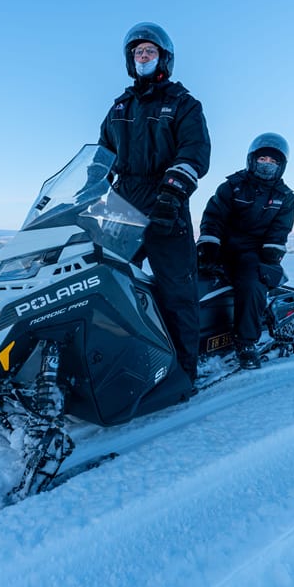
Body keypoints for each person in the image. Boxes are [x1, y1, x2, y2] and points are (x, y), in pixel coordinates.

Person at [98, 22, 211, 384]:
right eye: (137, 53)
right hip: (122, 205)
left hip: (167, 204)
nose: (143, 57)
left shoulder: (183, 104)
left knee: (177, 290)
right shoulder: (119, 108)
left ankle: (183, 372)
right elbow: (101, 155)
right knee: (105, 285)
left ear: (164, 58)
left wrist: (173, 192)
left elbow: (194, 152)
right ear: (130, 61)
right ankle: (107, 361)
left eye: (149, 52)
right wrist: (88, 187)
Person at [197, 133, 294, 370]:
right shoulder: (232, 186)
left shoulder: (286, 197)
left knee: (251, 284)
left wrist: (272, 250)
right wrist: (209, 243)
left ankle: (246, 342)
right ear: (252, 160)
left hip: (255, 252)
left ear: (281, 166)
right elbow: (214, 216)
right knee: (181, 274)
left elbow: (280, 230)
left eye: (272, 162)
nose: (267, 165)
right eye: (263, 159)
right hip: (221, 246)